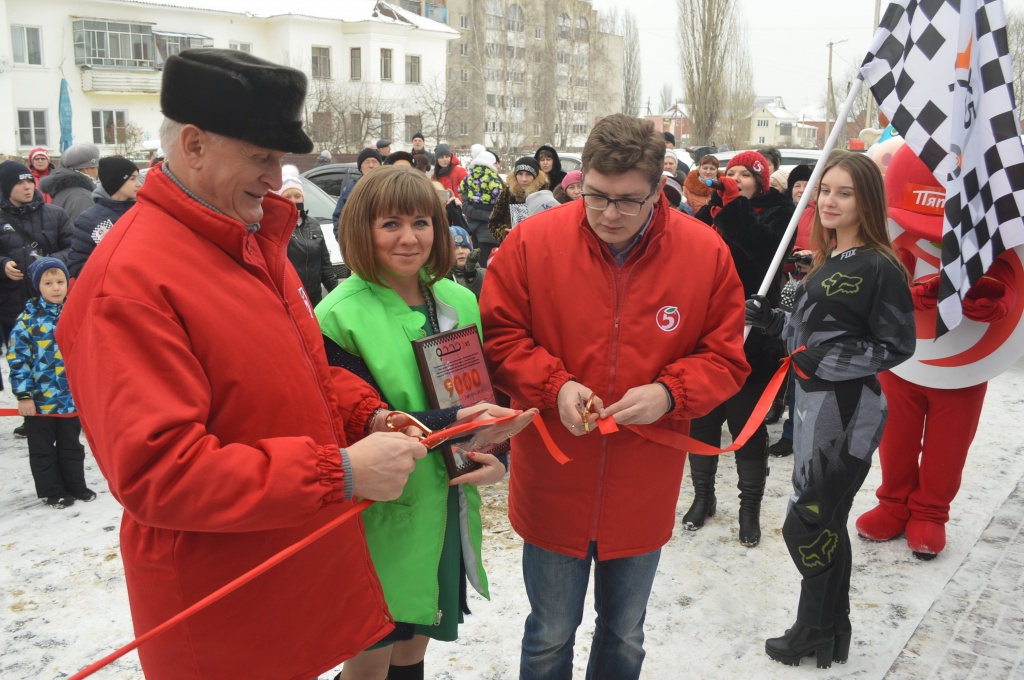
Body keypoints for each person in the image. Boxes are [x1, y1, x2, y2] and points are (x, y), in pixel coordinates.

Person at [55, 48, 427, 680]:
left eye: (280, 159)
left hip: (284, 580)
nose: (277, 176)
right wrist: (334, 472)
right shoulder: (133, 279)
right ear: (194, 145)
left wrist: (367, 416)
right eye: (262, 157)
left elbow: (299, 375)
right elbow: (158, 474)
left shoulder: (248, 240)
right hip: (221, 612)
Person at [481, 114, 749, 680]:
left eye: (628, 201)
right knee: (549, 633)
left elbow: (725, 358)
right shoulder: (534, 240)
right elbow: (501, 337)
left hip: (643, 479)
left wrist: (668, 393)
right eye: (595, 196)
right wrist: (555, 387)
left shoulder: (705, 253)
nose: (608, 214)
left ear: (659, 189)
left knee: (625, 634)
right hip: (555, 476)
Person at [316, 165, 534, 680]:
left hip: (447, 501)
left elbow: (479, 397)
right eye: (390, 224)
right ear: (360, 231)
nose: (409, 238)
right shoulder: (337, 315)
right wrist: (459, 421)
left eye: (421, 222)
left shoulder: (459, 301)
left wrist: (493, 454)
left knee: (416, 644)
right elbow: (357, 422)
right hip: (380, 515)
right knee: (370, 654)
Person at [746, 150, 916, 668]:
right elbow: (810, 333)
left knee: (807, 525)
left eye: (845, 192)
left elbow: (896, 345)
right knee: (828, 522)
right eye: (826, 190)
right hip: (811, 408)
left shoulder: (881, 266)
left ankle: (814, 626)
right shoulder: (829, 258)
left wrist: (825, 359)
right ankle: (829, 629)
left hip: (846, 413)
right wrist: (775, 321)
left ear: (867, 201)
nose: (829, 201)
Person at [856, 144, 1019, 560]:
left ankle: (930, 511)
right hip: (903, 358)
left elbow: (1010, 279)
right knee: (895, 435)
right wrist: (905, 295)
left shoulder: (1001, 235)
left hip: (963, 364)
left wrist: (995, 303)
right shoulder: (890, 234)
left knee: (949, 444)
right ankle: (893, 502)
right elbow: (886, 272)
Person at [687, 151, 791, 546]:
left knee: (746, 427)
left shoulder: (778, 215)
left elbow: (764, 254)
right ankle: (703, 496)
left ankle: (750, 509)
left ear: (760, 182)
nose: (735, 178)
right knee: (703, 421)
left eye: (745, 174)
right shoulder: (709, 214)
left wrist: (734, 208)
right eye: (731, 173)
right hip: (704, 338)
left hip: (751, 341)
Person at [7, 257, 95, 509]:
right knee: (43, 449)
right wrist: (24, 395)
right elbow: (17, 359)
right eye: (48, 283)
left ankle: (75, 484)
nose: (56, 288)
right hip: (38, 402)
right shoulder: (27, 321)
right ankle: (52, 491)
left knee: (72, 445)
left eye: (60, 281)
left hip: (70, 398)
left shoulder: (76, 316)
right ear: (38, 286)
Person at [0, 161, 73, 342]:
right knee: (19, 361)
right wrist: (3, 264)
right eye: (19, 183)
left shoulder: (56, 214)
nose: (27, 187)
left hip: (51, 302)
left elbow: (73, 250)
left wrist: (50, 263)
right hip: (11, 304)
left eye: (30, 181)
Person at [67, 155, 141, 278]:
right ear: (117, 182)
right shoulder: (89, 220)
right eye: (132, 179)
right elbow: (77, 265)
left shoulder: (143, 211)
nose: (139, 184)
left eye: (138, 178)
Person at [278, 165, 338, 305]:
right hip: (288, 299)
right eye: (287, 196)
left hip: (314, 299)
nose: (293, 200)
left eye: (297, 196)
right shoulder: (275, 227)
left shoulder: (313, 224)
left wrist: (337, 296)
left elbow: (325, 268)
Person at [459, 148, 504, 265]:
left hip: (489, 235)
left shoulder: (498, 181)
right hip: (475, 233)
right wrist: (489, 215)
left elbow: (502, 208)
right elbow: (465, 207)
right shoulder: (475, 180)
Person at [488, 156, 549, 244]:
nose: (524, 179)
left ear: (535, 176)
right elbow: (493, 222)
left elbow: (551, 225)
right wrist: (504, 234)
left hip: (537, 246)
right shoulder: (507, 193)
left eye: (528, 174)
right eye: (520, 174)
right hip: (513, 246)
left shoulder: (544, 195)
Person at [39, 142, 101, 221]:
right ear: (86, 169)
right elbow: (83, 230)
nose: (97, 172)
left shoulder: (62, 190)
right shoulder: (83, 196)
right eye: (96, 168)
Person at [333, 147, 383, 234]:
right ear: (360, 167)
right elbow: (339, 217)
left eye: (374, 162)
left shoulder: (388, 186)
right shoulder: (351, 188)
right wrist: (344, 241)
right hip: (358, 241)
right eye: (367, 162)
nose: (371, 165)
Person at [449, 225, 485, 299]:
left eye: (464, 247)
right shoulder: (438, 277)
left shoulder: (483, 273)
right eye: (454, 248)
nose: (460, 251)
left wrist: (471, 275)